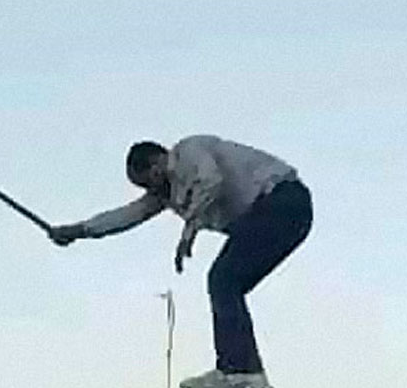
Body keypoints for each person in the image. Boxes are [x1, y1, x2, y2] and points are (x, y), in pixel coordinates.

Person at [49, 135, 312, 375]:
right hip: (275, 219)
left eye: (149, 180)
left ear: (158, 162)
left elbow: (212, 180)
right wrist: (79, 230)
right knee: (227, 284)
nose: (152, 191)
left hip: (282, 201)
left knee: (222, 280)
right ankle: (244, 368)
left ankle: (238, 368)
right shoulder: (166, 194)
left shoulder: (189, 151)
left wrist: (189, 230)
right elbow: (128, 215)